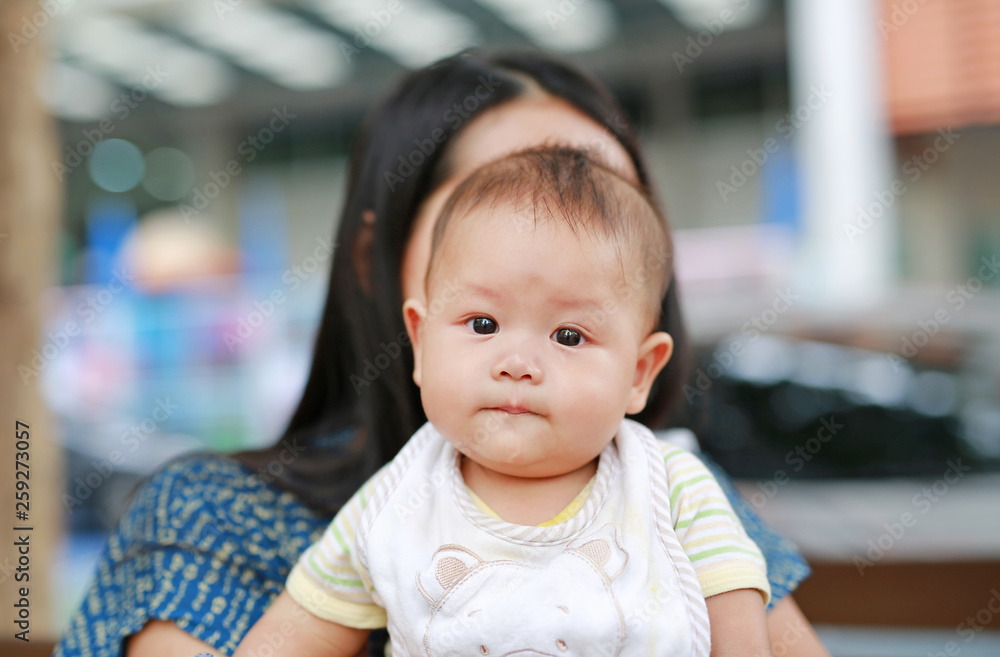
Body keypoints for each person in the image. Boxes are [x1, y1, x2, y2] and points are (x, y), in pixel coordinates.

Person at [54, 51, 826, 657]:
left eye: (601, 208)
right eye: (503, 198)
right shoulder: (221, 518)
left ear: (641, 354)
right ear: (376, 259)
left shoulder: (667, 486)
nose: (558, 249)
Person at [232, 146, 773, 657]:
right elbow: (288, 641)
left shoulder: (670, 490)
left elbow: (742, 639)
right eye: (483, 324)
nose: (517, 363)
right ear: (420, 343)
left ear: (638, 372)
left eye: (568, 336)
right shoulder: (393, 506)